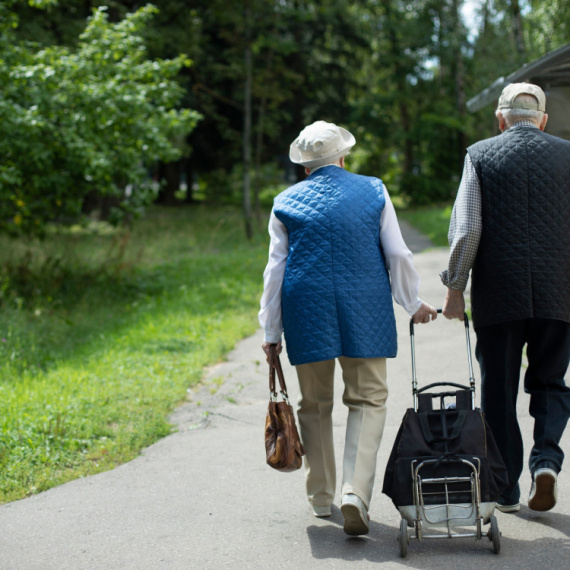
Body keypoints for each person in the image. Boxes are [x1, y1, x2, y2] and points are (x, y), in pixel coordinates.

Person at [259, 121, 436, 536]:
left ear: (305, 167)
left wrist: (270, 332)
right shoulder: (373, 189)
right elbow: (397, 253)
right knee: (368, 399)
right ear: (343, 158)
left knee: (314, 404)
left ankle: (321, 497)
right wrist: (413, 303)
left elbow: (275, 271)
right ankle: (355, 493)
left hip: (307, 308)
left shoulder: (286, 201)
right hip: (365, 308)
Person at [441, 83, 570, 513]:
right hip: (559, 292)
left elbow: (467, 229)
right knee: (551, 381)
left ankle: (506, 488)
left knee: (498, 391)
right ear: (544, 121)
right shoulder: (568, 154)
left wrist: (455, 286)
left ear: (500, 120)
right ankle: (547, 461)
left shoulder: (479, 155)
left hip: (499, 296)